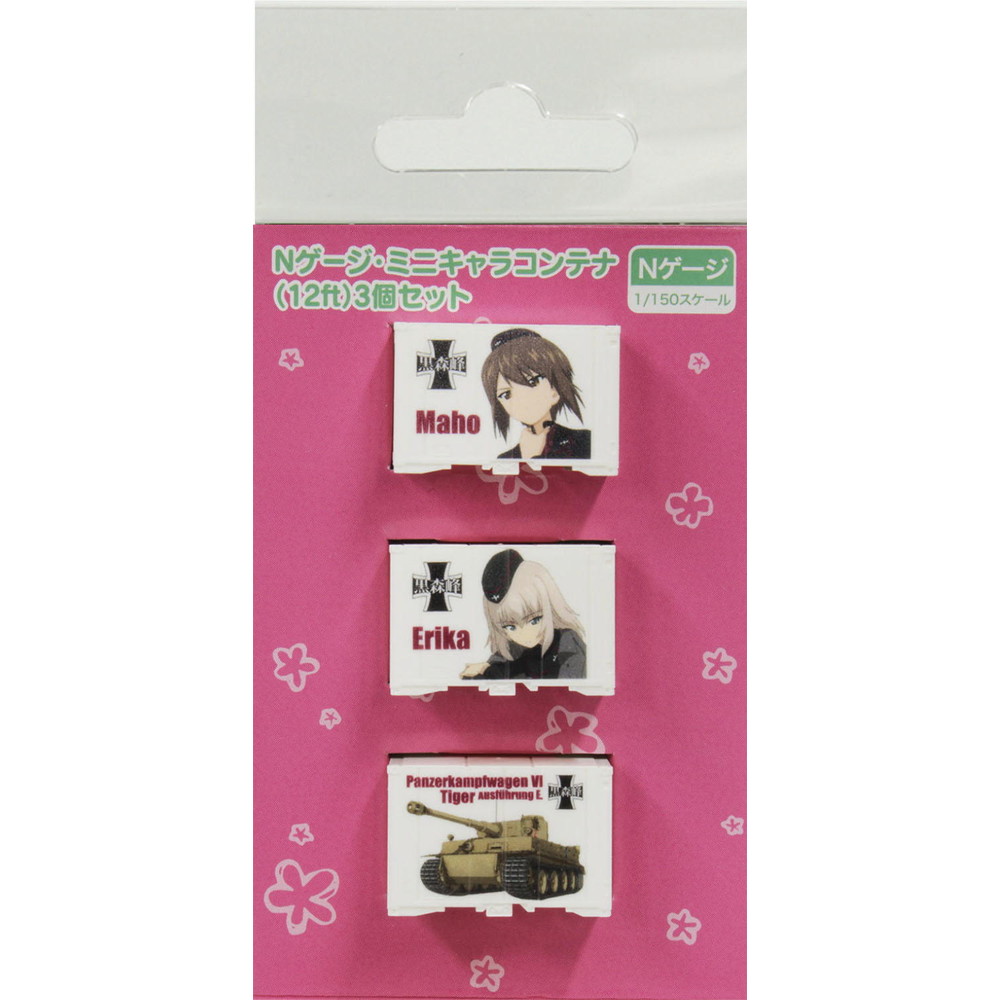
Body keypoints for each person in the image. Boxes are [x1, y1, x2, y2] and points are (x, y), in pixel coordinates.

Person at [461, 549, 586, 680]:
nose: (524, 634)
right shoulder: (513, 648)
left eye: (534, 620)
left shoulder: (567, 642)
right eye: (510, 627)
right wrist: (482, 671)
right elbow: (495, 672)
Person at [480, 328, 591, 460]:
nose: (520, 399)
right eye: (506, 394)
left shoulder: (583, 442)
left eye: (532, 382)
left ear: (555, 389)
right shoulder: (506, 458)